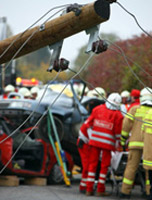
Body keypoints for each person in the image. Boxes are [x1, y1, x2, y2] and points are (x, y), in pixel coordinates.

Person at [80, 93, 123, 196]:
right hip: (108, 144)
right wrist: (119, 144)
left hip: (94, 142)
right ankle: (100, 189)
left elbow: (89, 123)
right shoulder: (118, 115)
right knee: (104, 166)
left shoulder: (97, 109)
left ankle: (89, 189)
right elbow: (118, 133)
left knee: (92, 164)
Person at [120, 87, 152, 199]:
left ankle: (125, 192)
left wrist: (123, 139)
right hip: (150, 145)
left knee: (131, 167)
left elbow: (126, 125)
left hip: (135, 144)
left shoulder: (135, 109)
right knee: (149, 169)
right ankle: (149, 192)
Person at [142, 106, 152, 200]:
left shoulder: (148, 113)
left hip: (149, 152)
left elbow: (142, 130)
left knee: (149, 173)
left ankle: (150, 192)